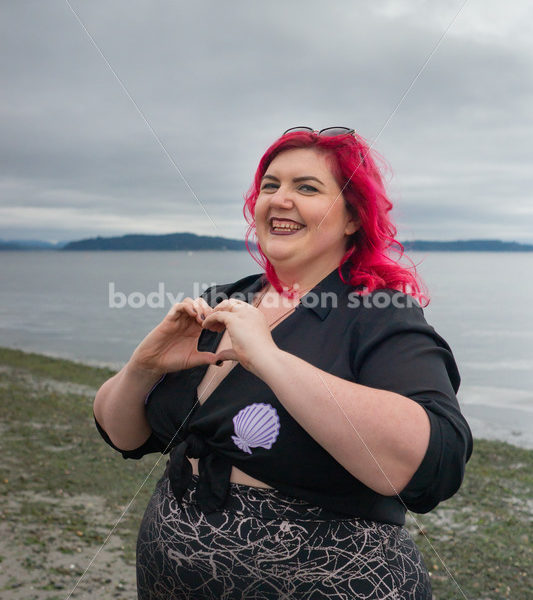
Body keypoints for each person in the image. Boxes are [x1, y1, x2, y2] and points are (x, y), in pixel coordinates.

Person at [93, 126, 473, 599]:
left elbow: (433, 464)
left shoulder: (377, 312)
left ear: (353, 217)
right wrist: (143, 367)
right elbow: (123, 434)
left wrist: (270, 359)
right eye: (270, 186)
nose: (279, 199)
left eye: (307, 187)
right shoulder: (227, 299)